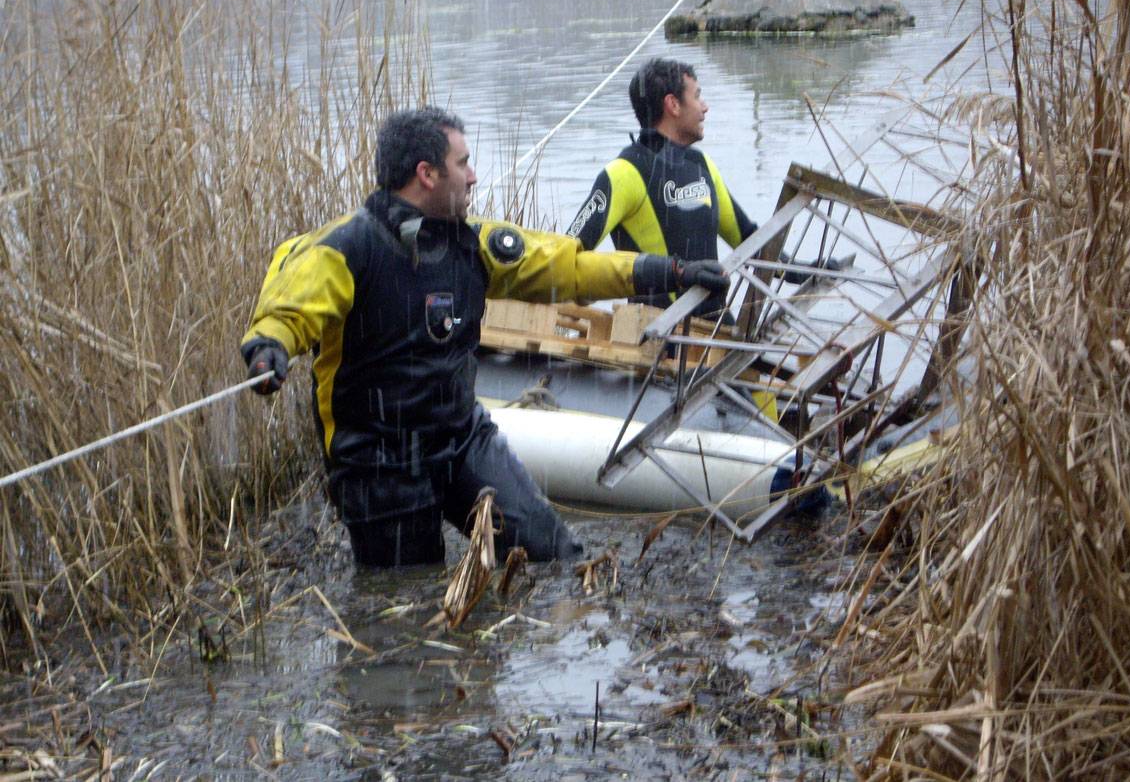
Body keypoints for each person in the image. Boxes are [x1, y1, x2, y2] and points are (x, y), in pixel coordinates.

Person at [240, 107, 728, 567]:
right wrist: (269, 349)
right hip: (377, 463)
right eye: (463, 163)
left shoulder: (472, 243)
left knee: (554, 556)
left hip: (461, 440)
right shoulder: (345, 248)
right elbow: (292, 308)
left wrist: (669, 270)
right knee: (407, 600)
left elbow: (569, 267)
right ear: (427, 174)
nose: (473, 175)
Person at [566, 57, 834, 318]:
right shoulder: (624, 173)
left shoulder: (702, 165)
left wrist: (806, 271)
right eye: (697, 96)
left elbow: (751, 243)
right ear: (673, 104)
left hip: (716, 333)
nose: (705, 107)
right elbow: (566, 259)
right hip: (660, 339)